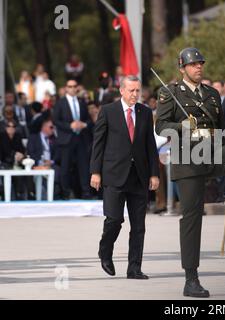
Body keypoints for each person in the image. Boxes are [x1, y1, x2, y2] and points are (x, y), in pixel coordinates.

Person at [155, 47, 225, 298]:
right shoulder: (169, 92)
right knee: (192, 218)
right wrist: (181, 126)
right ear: (182, 68)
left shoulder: (212, 94)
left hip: (212, 151)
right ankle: (191, 279)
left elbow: (221, 128)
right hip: (188, 157)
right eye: (193, 65)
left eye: (200, 64)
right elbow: (160, 126)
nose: (198, 67)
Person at [90, 75, 159, 280]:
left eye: (138, 91)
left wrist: (154, 173)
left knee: (139, 226)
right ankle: (105, 251)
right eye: (131, 90)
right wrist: (95, 172)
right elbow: (98, 143)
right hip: (113, 175)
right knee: (114, 220)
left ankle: (134, 268)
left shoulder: (145, 113)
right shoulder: (108, 111)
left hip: (139, 176)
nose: (135, 94)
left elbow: (150, 146)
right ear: (121, 90)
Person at [53, 79, 91, 199]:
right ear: (66, 88)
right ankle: (65, 193)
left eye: (75, 86)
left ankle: (86, 192)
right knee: (65, 167)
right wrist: (70, 126)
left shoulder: (81, 102)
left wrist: (84, 124)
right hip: (66, 139)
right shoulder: (60, 103)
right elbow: (56, 120)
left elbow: (89, 120)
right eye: (70, 86)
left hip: (80, 138)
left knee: (83, 166)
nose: (72, 88)